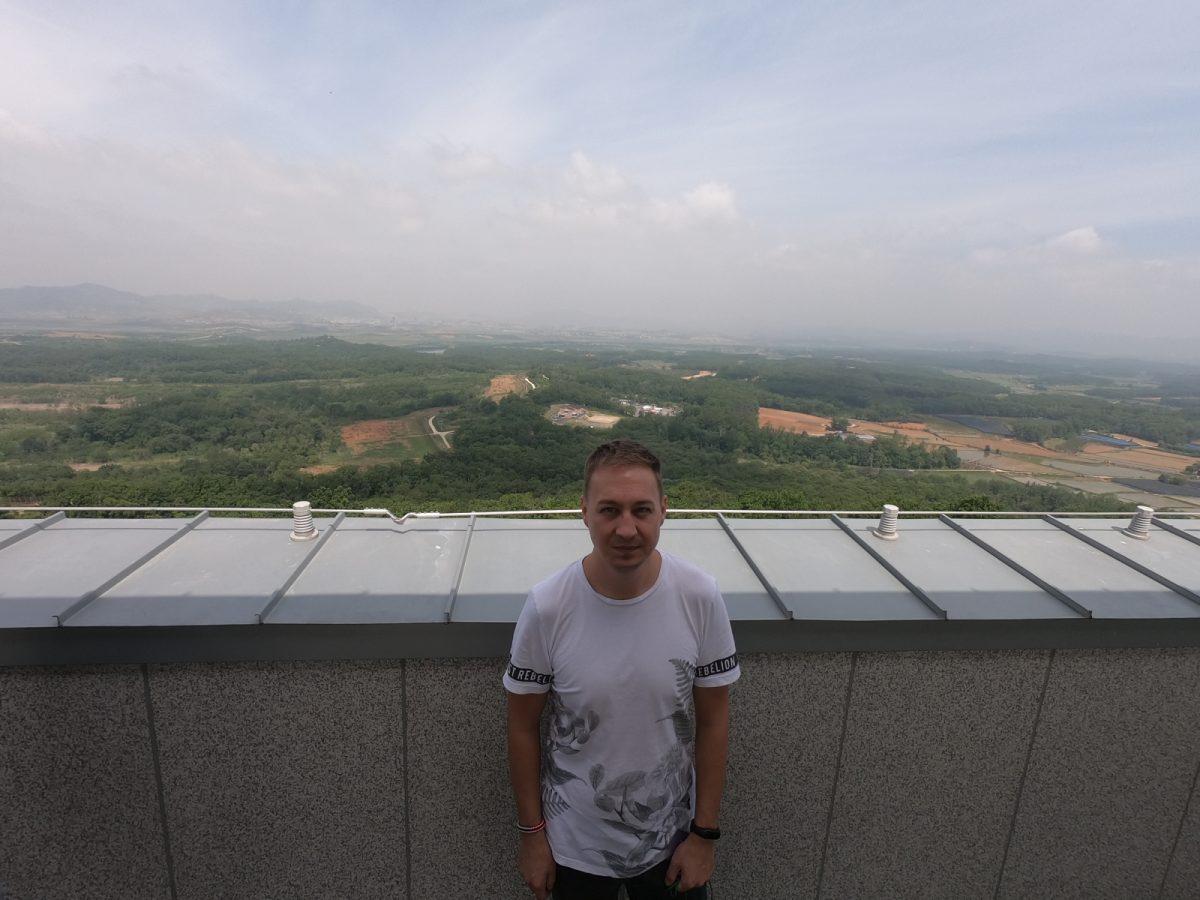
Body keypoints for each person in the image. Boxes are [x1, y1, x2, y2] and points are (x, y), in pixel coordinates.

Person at [504, 439, 740, 899]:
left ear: (664, 510)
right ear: (584, 512)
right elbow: (521, 727)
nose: (627, 529)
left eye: (641, 510)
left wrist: (704, 836)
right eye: (609, 510)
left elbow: (714, 721)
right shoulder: (548, 606)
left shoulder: (699, 596)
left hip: (672, 842)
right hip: (572, 847)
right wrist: (531, 837)